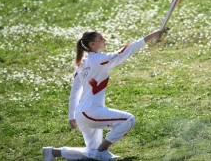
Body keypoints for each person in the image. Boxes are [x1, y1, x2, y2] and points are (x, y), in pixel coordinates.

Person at [42, 29, 164, 160]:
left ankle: (53, 152)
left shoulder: (82, 64)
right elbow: (124, 52)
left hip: (81, 114)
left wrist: (72, 116)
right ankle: (102, 149)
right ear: (92, 44)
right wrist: (152, 35)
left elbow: (74, 93)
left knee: (91, 153)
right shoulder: (99, 59)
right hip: (91, 112)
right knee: (129, 120)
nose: (104, 40)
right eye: (100, 39)